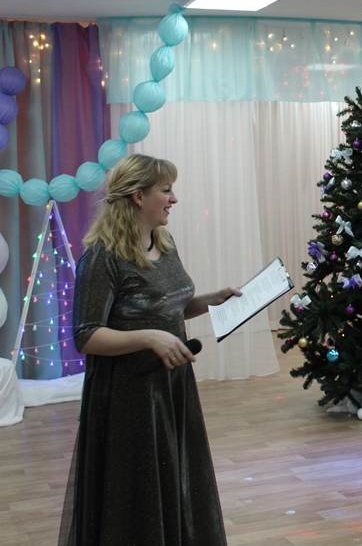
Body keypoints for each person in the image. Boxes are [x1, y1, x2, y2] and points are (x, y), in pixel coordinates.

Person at [59, 154, 240, 546]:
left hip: (172, 388)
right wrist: (149, 338)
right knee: (136, 500)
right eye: (166, 190)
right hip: (129, 398)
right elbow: (86, 335)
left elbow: (167, 308)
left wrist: (211, 300)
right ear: (139, 197)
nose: (174, 199)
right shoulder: (103, 256)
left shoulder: (165, 243)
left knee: (176, 485)